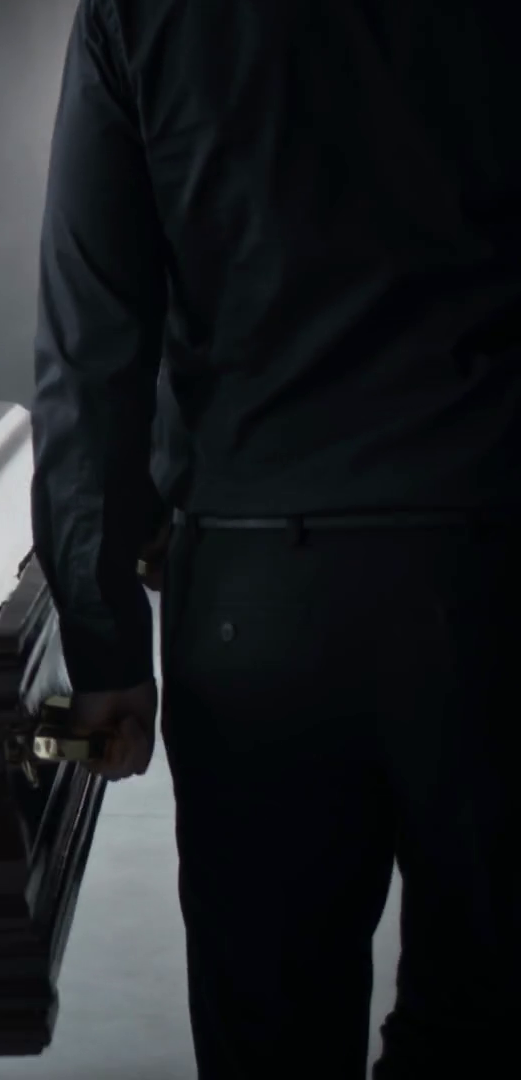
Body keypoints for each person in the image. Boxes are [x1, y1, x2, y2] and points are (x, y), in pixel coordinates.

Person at [31, 0, 520, 1077]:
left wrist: (104, 639)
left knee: (271, 1035)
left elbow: (92, 341)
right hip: (491, 572)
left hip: (258, 597)